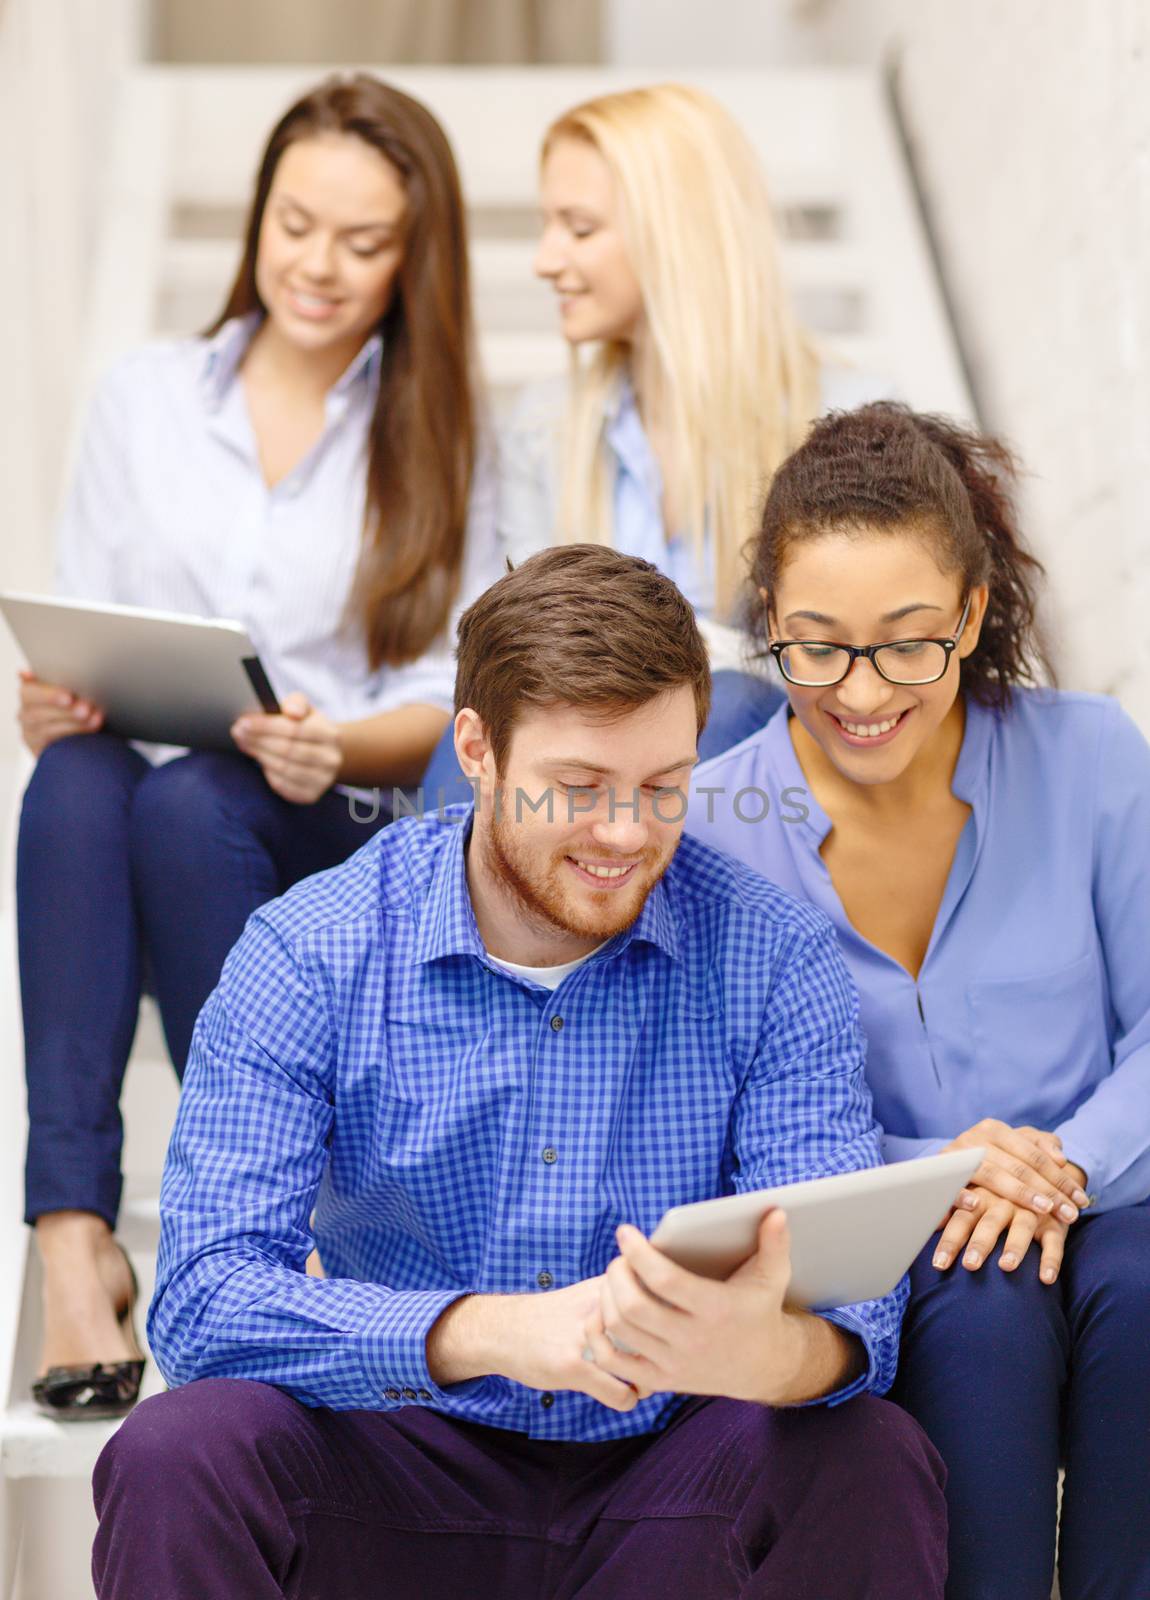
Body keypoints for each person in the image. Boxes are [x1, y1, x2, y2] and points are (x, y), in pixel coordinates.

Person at [91, 547, 947, 1599]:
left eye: (663, 787)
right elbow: (202, 1302)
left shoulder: (772, 954)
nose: (627, 833)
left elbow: (857, 1321)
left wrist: (756, 1354)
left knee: (870, 1460)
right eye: (578, 788)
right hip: (395, 1461)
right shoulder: (309, 950)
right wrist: (493, 1331)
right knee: (177, 1452)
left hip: (665, 1481)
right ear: (477, 751)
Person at [17, 72, 499, 1420]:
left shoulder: (451, 433)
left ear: (415, 259)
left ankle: (267, 1212)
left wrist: (337, 742)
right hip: (165, 820)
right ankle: (72, 1234)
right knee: (76, 776)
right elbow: (90, 624)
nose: (319, 268)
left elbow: (457, 699)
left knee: (191, 806)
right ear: (257, 218)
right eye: (297, 226)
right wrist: (52, 700)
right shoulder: (145, 398)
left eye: (363, 243)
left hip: (335, 822)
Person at [686, 401, 1150, 1599]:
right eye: (817, 645)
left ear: (973, 616)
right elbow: (719, 1114)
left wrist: (1062, 1166)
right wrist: (947, 1170)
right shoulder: (708, 830)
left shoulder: (1092, 756)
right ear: (769, 635)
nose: (862, 690)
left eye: (907, 642)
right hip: (893, 1237)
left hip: (1112, 1199)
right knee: (980, 1305)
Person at [423, 82, 883, 800]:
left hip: (763, 758)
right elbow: (513, 646)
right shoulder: (545, 430)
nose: (545, 260)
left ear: (677, 236)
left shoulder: (844, 421)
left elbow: (851, 652)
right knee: (473, 741)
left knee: (721, 706)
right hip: (584, 743)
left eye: (577, 229)